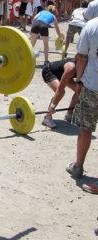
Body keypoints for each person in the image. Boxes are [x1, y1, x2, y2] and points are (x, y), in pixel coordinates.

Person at [66, 17, 98, 186]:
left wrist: (78, 81)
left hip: (92, 85)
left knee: (85, 129)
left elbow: (82, 58)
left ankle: (78, 167)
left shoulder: (91, 26)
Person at [41, 58, 79, 128]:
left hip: (64, 74)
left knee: (80, 91)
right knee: (61, 92)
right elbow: (60, 89)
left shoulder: (88, 67)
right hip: (49, 71)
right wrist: (53, 106)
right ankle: (47, 117)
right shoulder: (71, 67)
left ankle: (69, 115)